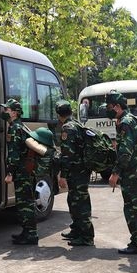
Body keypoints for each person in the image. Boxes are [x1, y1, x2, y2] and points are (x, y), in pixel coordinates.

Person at [105, 90, 137, 254]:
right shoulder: (129, 119)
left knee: (133, 208)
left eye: (109, 107)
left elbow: (125, 152)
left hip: (133, 173)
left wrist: (115, 173)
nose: (107, 110)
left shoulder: (125, 122)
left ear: (117, 107)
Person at [56, 100, 95, 246]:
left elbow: (67, 155)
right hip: (81, 170)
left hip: (76, 172)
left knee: (80, 204)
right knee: (73, 201)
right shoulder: (78, 124)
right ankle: (77, 230)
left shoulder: (68, 128)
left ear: (59, 115)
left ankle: (86, 237)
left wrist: (63, 175)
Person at [1, 98, 38, 245]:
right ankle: (27, 232)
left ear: (15, 113)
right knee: (24, 202)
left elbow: (14, 154)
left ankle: (31, 234)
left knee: (25, 203)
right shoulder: (20, 126)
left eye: (7, 110)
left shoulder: (15, 128)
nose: (4, 112)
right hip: (25, 170)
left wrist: (10, 172)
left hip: (22, 172)